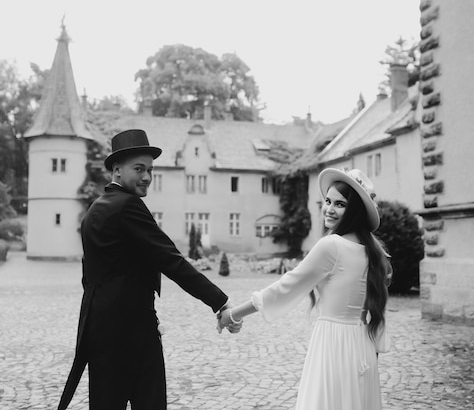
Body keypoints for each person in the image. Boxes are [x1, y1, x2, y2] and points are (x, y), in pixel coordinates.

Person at [57, 129, 241, 410]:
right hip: (131, 331)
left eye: (150, 170)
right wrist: (220, 302)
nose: (147, 177)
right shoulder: (128, 206)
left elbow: (90, 275)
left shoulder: (95, 210)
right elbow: (171, 260)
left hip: (99, 328)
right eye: (139, 169)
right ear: (117, 170)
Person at [219, 168, 392, 410]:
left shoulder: (332, 246)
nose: (329, 209)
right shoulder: (372, 251)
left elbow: (286, 287)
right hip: (362, 345)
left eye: (340, 204)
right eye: (328, 201)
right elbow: (377, 310)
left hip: (334, 345)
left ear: (353, 211)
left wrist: (234, 313)